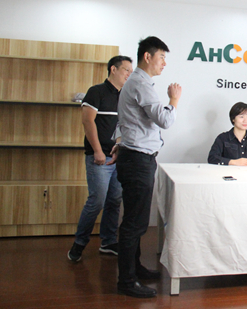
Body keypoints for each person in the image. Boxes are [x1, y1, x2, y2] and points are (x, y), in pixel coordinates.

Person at [112, 36, 182, 298]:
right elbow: (164, 120)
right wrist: (174, 99)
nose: (164, 63)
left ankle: (135, 269)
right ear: (147, 56)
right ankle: (126, 281)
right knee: (135, 222)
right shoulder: (141, 84)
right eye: (161, 57)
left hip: (137, 157)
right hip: (138, 160)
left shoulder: (137, 83)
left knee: (136, 219)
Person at [67, 55, 133, 262]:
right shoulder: (96, 92)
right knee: (97, 201)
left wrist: (119, 148)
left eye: (131, 72)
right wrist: (97, 151)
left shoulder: (124, 96)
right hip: (99, 157)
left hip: (116, 157)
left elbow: (122, 126)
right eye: (126, 70)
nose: (129, 75)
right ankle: (79, 244)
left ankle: (108, 242)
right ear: (113, 69)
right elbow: (88, 121)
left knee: (114, 200)